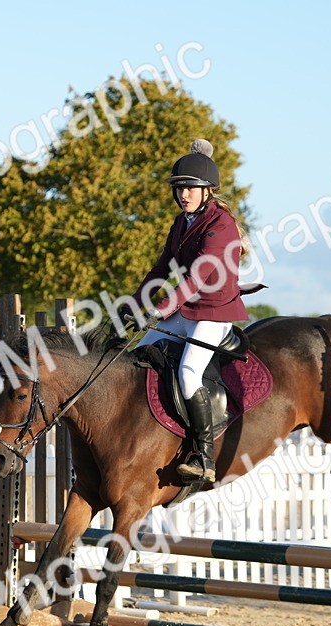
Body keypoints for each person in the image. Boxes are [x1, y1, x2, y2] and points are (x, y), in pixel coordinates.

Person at [128, 139, 250, 485]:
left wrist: (163, 307)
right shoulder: (180, 224)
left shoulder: (221, 224)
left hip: (214, 312)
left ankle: (203, 454)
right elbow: (162, 269)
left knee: (188, 375)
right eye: (180, 188)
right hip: (187, 308)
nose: (184, 194)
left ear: (208, 190)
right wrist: (135, 302)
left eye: (191, 188)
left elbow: (199, 275)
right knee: (136, 355)